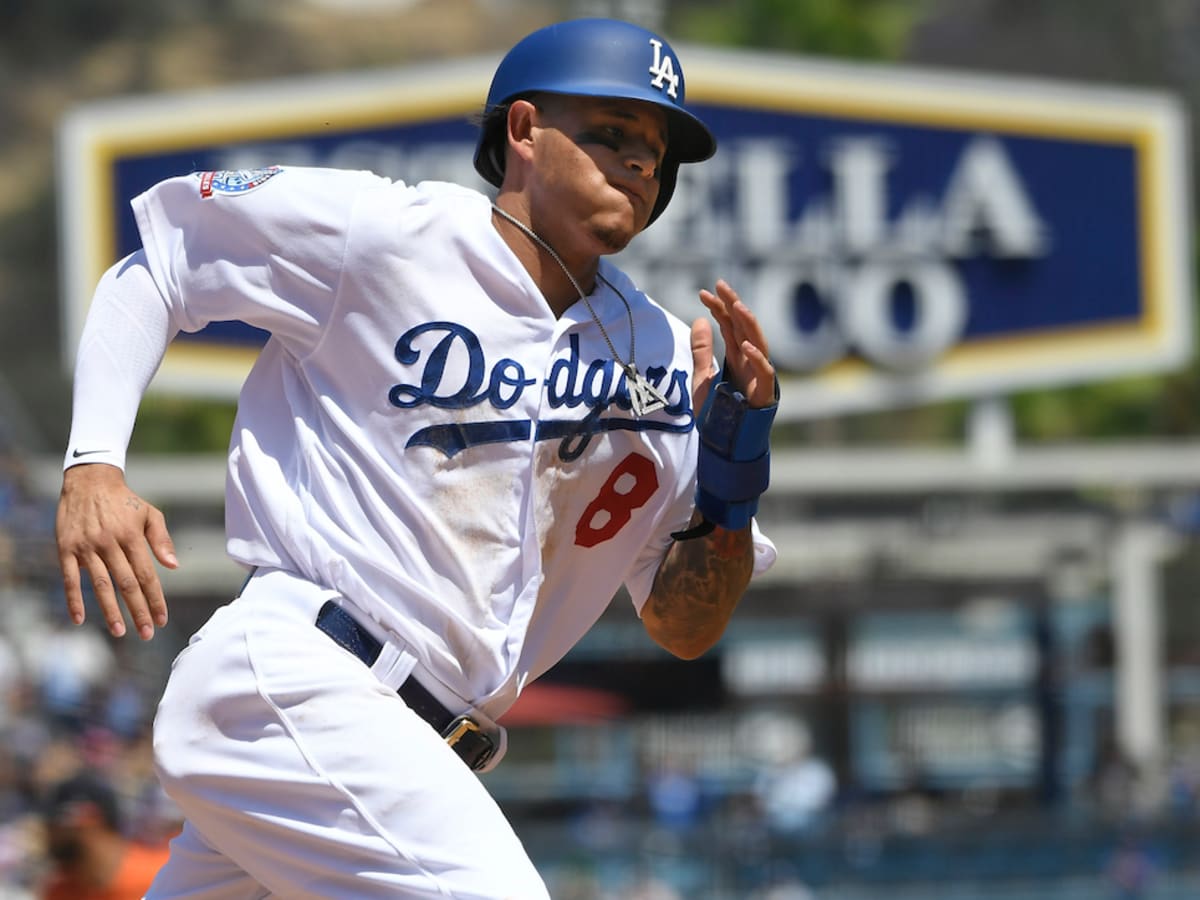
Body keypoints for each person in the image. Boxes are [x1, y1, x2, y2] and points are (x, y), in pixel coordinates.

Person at [55, 17, 778, 899]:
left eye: (657, 151)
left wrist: (733, 469)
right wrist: (94, 462)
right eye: (612, 135)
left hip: (411, 746)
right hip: (306, 676)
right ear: (522, 131)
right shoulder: (387, 233)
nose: (640, 164)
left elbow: (683, 623)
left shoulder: (665, 357)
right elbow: (160, 266)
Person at [39, 772, 170, 900]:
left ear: (89, 819)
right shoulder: (59, 892)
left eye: (54, 825)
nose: (48, 835)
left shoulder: (164, 880)